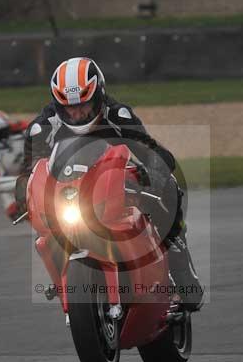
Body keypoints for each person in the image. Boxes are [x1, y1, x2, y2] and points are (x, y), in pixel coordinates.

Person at [15, 57, 203, 311]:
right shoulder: (42, 127)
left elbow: (152, 153)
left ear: (98, 95)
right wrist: (24, 192)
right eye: (68, 108)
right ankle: (68, 287)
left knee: (168, 187)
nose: (77, 113)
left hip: (112, 179)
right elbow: (30, 169)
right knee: (43, 226)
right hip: (70, 190)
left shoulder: (117, 115)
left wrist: (154, 178)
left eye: (83, 105)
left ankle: (181, 271)